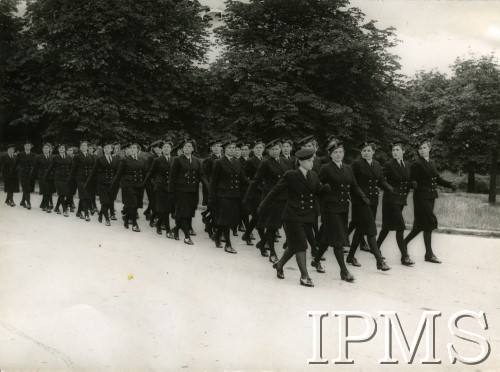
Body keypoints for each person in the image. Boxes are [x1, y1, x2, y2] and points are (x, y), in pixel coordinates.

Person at [260, 148, 330, 287]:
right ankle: (305, 276)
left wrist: (325, 189)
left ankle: (279, 265)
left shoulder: (313, 175)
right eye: (309, 161)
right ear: (300, 162)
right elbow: (276, 190)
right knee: (301, 246)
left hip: (307, 216)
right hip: (292, 215)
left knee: (294, 246)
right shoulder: (290, 175)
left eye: (312, 160)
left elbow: (316, 191)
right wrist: (263, 206)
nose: (312, 163)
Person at [310, 138, 367, 282]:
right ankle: (344, 271)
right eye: (335, 152)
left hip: (343, 208)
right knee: (338, 241)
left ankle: (316, 260)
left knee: (327, 238)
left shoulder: (348, 168)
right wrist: (324, 189)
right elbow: (316, 184)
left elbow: (354, 185)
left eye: (340, 152)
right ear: (330, 154)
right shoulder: (326, 168)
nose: (338, 154)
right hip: (330, 208)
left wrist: (362, 196)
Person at [404, 137, 457, 264]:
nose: (422, 150)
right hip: (421, 198)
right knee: (429, 223)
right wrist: (413, 184)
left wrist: (450, 184)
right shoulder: (417, 164)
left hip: (431, 196)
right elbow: (410, 180)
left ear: (429, 149)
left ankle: (403, 243)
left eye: (424, 148)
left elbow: (437, 179)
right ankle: (429, 254)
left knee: (418, 226)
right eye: (420, 149)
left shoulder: (432, 163)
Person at [346, 140, 392, 271]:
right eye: (364, 151)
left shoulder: (377, 164)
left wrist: (389, 188)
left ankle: (350, 257)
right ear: (361, 152)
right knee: (371, 230)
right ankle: (379, 261)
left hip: (373, 200)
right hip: (360, 201)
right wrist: (360, 196)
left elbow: (381, 180)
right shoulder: (356, 164)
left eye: (368, 150)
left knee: (360, 229)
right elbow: (352, 182)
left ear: (373, 151)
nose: (366, 153)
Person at [245, 139, 292, 263]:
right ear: (268, 151)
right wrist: (248, 197)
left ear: (280, 149)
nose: (275, 151)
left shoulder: (286, 161)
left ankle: (262, 243)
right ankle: (272, 252)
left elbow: (291, 178)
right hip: (271, 198)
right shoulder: (265, 163)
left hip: (285, 197)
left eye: (277, 149)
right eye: (272, 149)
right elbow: (256, 180)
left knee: (283, 224)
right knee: (272, 226)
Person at [376, 140, 415, 266]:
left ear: (403, 151)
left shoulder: (407, 164)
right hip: (391, 199)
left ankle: (375, 248)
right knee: (400, 226)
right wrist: (387, 187)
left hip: (400, 200)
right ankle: (404, 256)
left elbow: (406, 180)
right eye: (393, 150)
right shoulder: (388, 165)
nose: (395, 152)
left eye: (397, 150)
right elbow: (379, 178)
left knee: (386, 227)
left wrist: (412, 184)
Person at [209, 139, 249, 253]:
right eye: (229, 148)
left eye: (233, 148)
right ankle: (228, 244)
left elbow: (243, 178)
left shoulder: (237, 162)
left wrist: (255, 185)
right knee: (226, 219)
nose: (232, 150)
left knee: (231, 219)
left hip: (235, 195)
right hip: (223, 195)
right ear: (224, 149)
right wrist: (211, 197)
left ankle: (217, 236)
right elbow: (213, 181)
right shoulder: (219, 162)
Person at [169, 138, 208, 245]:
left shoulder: (196, 160)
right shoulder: (177, 159)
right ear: (182, 149)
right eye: (185, 146)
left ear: (193, 149)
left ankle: (176, 230)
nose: (186, 148)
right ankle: (187, 236)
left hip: (193, 191)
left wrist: (208, 188)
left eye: (189, 146)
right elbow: (172, 177)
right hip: (181, 190)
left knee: (188, 213)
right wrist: (171, 192)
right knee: (182, 212)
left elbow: (201, 175)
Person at [112, 142, 148, 232]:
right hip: (129, 185)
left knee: (136, 206)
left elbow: (145, 173)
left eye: (134, 148)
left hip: (139, 185)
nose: (132, 149)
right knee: (133, 204)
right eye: (131, 148)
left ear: (138, 150)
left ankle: (127, 218)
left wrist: (145, 183)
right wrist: (114, 184)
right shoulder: (125, 160)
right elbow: (119, 173)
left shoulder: (142, 160)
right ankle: (135, 224)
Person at [143, 140, 174, 238]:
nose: (166, 149)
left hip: (170, 188)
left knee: (168, 209)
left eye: (168, 147)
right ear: (161, 149)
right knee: (164, 209)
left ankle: (157, 222)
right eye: (164, 147)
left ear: (171, 149)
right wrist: (144, 184)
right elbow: (150, 173)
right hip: (160, 187)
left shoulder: (174, 160)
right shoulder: (157, 160)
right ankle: (168, 230)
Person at [86, 141, 119, 226]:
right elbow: (93, 171)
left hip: (111, 184)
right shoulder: (99, 159)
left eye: (108, 148)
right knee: (104, 202)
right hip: (102, 184)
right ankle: (107, 219)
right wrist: (88, 182)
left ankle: (101, 214)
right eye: (105, 148)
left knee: (109, 202)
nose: (106, 149)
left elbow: (116, 173)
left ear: (112, 149)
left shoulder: (115, 159)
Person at [241, 139, 265, 249]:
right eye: (257, 148)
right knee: (257, 216)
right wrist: (251, 183)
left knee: (257, 216)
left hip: (263, 191)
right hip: (254, 192)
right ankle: (263, 241)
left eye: (260, 148)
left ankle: (246, 234)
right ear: (253, 150)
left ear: (263, 149)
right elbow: (243, 175)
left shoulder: (265, 160)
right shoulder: (251, 161)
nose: (259, 150)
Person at [69, 140, 95, 221]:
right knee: (84, 195)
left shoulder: (91, 156)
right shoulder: (77, 156)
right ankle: (86, 214)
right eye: (82, 146)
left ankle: (79, 212)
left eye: (85, 145)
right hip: (80, 179)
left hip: (88, 179)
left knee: (85, 195)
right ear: (80, 148)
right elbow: (73, 169)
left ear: (87, 147)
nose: (83, 147)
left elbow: (93, 169)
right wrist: (71, 180)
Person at [201, 139, 222, 239]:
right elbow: (206, 177)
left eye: (218, 146)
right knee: (215, 211)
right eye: (214, 147)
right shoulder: (209, 160)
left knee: (218, 211)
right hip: (212, 190)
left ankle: (208, 222)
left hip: (222, 190)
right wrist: (209, 190)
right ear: (211, 149)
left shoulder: (223, 159)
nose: (217, 148)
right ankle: (211, 230)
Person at [45, 144, 72, 216]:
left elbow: (71, 168)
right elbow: (50, 168)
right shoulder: (55, 158)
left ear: (65, 149)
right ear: (58, 149)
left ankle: (56, 207)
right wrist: (46, 177)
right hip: (58, 178)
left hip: (66, 178)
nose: (61, 149)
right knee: (61, 193)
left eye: (63, 148)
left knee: (63, 195)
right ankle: (64, 210)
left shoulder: (69, 157)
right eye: (60, 148)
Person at [30, 143, 53, 212]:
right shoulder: (38, 157)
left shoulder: (53, 157)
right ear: (42, 149)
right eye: (44, 148)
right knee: (46, 191)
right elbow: (35, 168)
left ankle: (43, 204)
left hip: (50, 177)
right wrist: (34, 177)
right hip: (42, 176)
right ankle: (47, 205)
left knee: (48, 191)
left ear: (49, 149)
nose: (46, 149)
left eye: (47, 148)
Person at [13, 140, 36, 209]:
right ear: (24, 146)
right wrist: (14, 172)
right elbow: (15, 164)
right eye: (26, 145)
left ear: (31, 147)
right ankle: (28, 203)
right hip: (23, 174)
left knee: (28, 188)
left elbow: (35, 165)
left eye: (29, 145)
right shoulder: (20, 154)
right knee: (26, 188)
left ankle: (22, 201)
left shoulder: (34, 155)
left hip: (31, 174)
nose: (27, 147)